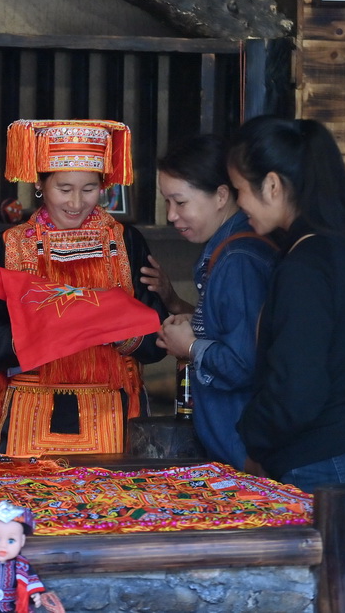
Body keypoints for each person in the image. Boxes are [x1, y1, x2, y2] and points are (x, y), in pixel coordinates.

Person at [226, 115, 345, 492]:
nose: (240, 204)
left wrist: (254, 443)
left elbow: (297, 388)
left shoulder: (306, 265)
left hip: (328, 462)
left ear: (271, 185)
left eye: (239, 190)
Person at [0, 120, 167, 456]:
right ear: (40, 183)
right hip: (30, 412)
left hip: (113, 412)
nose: (76, 202)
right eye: (64, 189)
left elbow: (157, 339)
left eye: (89, 189)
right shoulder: (13, 246)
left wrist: (117, 330)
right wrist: (45, 330)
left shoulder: (125, 242)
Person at [140, 135, 278, 471]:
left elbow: (242, 362)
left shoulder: (238, 259)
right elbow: (231, 329)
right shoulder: (226, 250)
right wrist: (174, 303)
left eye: (180, 202)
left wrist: (189, 346)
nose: (171, 215)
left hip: (244, 449)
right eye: (167, 202)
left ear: (221, 195)